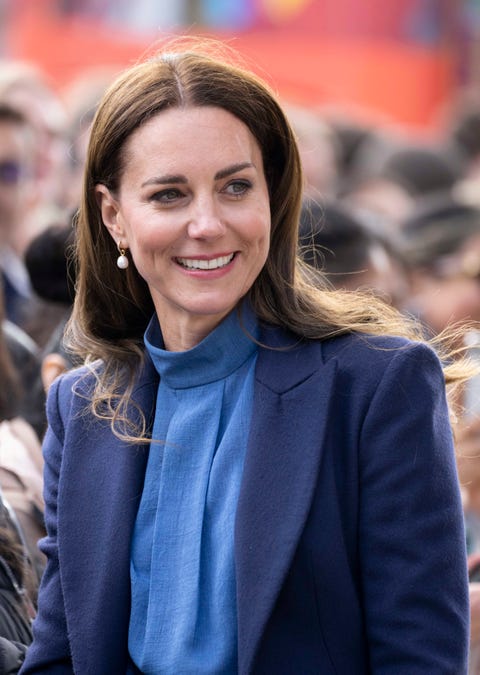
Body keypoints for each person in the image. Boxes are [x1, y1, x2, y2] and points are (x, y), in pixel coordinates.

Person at [21, 40, 470, 674]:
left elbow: (419, 658)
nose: (207, 223)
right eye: (169, 195)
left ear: (272, 197)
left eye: (235, 187)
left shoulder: (378, 385)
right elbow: (59, 656)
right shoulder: (82, 406)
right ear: (114, 216)